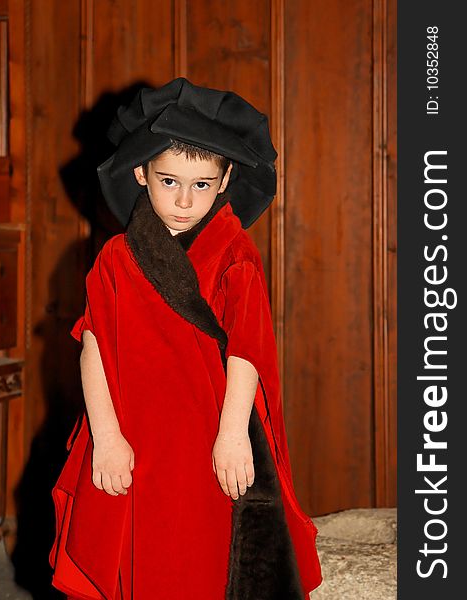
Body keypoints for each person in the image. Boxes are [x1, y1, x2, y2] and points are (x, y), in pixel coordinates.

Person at [49, 78, 322, 600]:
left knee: (200, 555)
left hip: (206, 433)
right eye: (169, 180)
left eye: (201, 185)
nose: (182, 199)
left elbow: (247, 351)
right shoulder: (116, 257)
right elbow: (95, 346)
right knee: (133, 553)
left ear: (224, 183)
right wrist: (105, 437)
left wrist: (233, 434)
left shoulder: (234, 252)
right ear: (140, 173)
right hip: (133, 431)